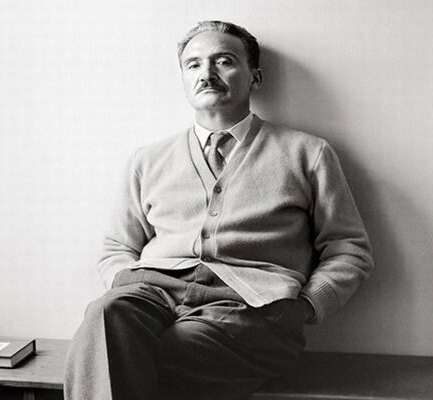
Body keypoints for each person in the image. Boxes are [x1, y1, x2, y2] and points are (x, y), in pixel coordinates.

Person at [64, 20, 373, 400]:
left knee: (144, 352)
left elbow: (348, 249)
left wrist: (307, 306)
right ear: (183, 78)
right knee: (105, 317)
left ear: (255, 77)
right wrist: (123, 280)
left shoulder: (307, 153)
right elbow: (117, 247)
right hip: (154, 293)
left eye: (224, 61)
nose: (206, 74)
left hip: (250, 308)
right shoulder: (147, 160)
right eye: (193, 64)